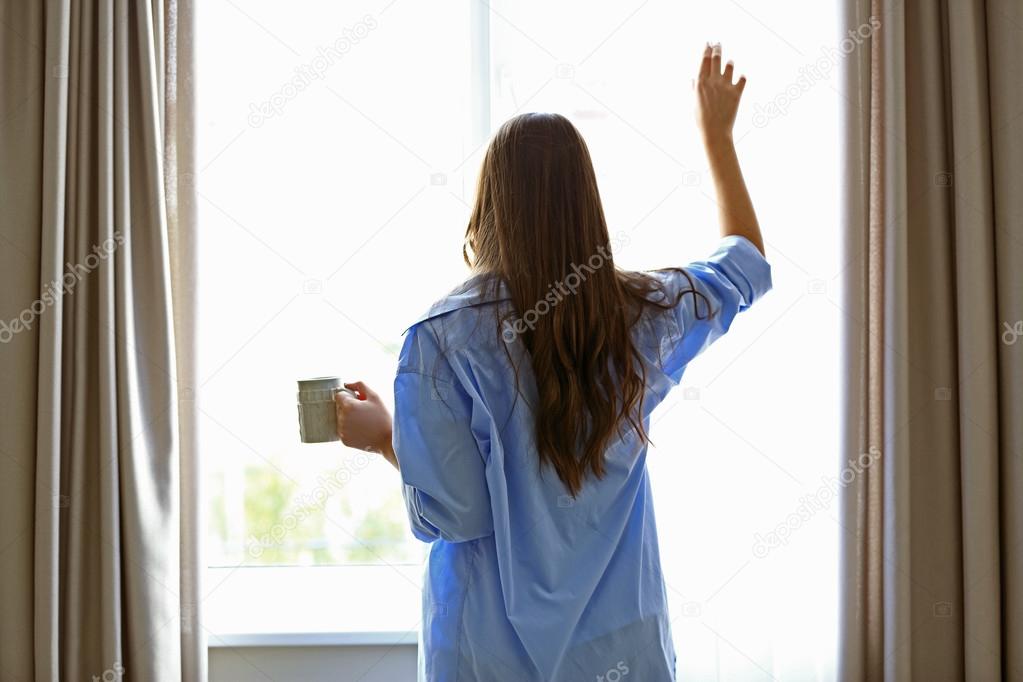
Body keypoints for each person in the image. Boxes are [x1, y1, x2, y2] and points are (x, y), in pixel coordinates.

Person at [334, 43, 771, 682]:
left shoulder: (439, 339)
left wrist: (384, 441)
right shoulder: (643, 315)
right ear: (586, 204)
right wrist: (718, 137)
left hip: (485, 655)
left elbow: (457, 513)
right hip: (623, 650)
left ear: (490, 204)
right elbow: (745, 265)